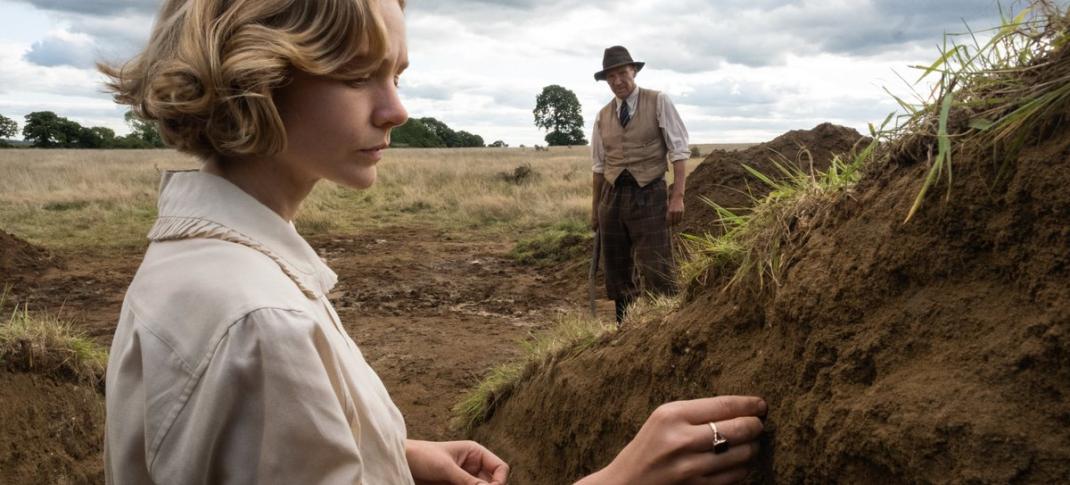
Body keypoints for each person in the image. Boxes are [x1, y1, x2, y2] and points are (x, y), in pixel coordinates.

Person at [100, 0, 765, 483]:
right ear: (260, 75)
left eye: (398, 74)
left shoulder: (195, 261)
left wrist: (391, 453)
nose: (397, 109)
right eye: (360, 72)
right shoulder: (261, 323)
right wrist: (622, 479)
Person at [591, 45, 691, 325]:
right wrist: (595, 210)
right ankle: (625, 328)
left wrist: (677, 196)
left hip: (649, 193)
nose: (617, 82)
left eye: (622, 73)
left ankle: (667, 325)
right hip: (611, 197)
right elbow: (599, 167)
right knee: (617, 268)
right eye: (610, 77)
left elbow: (680, 151)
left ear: (633, 71)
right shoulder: (602, 115)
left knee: (656, 264)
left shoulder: (659, 101)